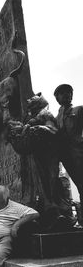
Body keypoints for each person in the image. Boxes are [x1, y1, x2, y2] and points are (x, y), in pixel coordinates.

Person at [7, 93, 75, 231]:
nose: (29, 99)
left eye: (32, 98)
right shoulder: (34, 117)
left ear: (38, 102)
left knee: (50, 182)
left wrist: (35, 128)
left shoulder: (45, 113)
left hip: (50, 154)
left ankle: (58, 213)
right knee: (43, 183)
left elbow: (53, 131)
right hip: (39, 155)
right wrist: (21, 129)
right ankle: (50, 212)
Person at [54, 84, 83, 216]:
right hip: (65, 156)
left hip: (78, 152)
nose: (67, 95)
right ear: (57, 98)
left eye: (69, 92)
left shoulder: (79, 110)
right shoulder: (57, 117)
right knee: (78, 183)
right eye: (63, 93)